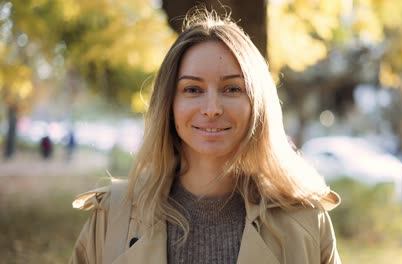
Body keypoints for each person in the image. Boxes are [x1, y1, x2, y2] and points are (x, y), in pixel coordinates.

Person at [70, 8, 341, 264]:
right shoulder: (112, 215)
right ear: (169, 104)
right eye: (192, 89)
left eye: (232, 89)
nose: (212, 109)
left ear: (257, 103)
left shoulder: (306, 219)